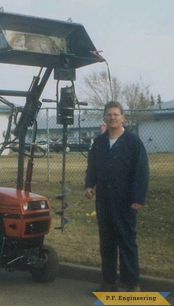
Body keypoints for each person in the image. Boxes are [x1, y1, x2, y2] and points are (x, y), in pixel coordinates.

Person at [85, 101, 149, 292]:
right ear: (104, 118)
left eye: (116, 114)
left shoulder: (133, 142)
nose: (112, 118)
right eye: (109, 115)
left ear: (123, 117)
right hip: (104, 199)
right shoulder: (99, 143)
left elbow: (142, 171)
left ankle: (131, 283)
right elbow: (92, 167)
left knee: (127, 242)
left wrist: (138, 198)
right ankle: (109, 283)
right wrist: (89, 185)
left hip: (126, 200)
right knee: (107, 242)